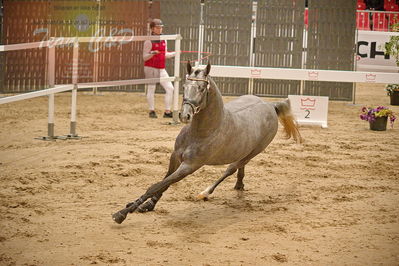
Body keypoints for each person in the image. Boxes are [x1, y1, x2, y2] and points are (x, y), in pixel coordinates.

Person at [143, 18, 175, 118]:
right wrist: (152, 53)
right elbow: (144, 57)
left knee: (170, 88)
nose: (160, 29)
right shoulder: (148, 41)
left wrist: (175, 53)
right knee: (151, 89)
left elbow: (165, 54)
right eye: (157, 28)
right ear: (152, 28)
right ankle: (151, 111)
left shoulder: (164, 39)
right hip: (151, 68)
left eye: (161, 27)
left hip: (161, 68)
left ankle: (167, 111)